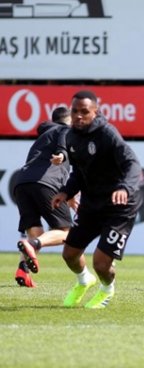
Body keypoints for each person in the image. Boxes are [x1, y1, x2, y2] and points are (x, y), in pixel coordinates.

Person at [51, 90, 143, 309]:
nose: (78, 116)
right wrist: (66, 192)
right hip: (91, 204)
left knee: (101, 263)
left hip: (120, 206)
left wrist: (124, 188)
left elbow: (132, 164)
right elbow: (79, 172)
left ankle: (107, 289)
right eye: (75, 111)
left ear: (95, 112)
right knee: (70, 254)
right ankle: (84, 280)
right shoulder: (71, 136)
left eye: (84, 112)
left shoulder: (107, 134)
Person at [13, 107, 74, 288]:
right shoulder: (65, 129)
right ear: (69, 119)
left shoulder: (44, 136)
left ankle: (23, 270)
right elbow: (63, 142)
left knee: (35, 230)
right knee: (66, 232)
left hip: (21, 183)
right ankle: (34, 244)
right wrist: (62, 154)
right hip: (46, 183)